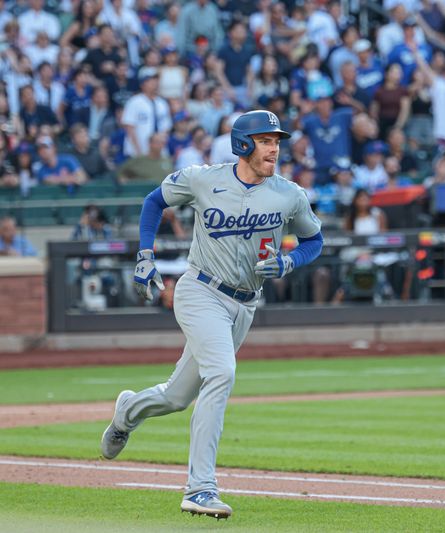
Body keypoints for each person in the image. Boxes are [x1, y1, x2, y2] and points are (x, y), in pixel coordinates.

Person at [99, 110, 323, 519]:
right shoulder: (204, 178)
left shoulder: (289, 193)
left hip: (244, 305)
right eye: (265, 139)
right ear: (242, 144)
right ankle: (200, 488)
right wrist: (145, 253)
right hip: (200, 290)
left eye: (277, 140)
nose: (274, 147)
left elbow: (314, 239)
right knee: (223, 372)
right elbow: (155, 201)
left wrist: (290, 262)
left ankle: (127, 412)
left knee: (177, 396)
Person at [121, 69, 172, 158]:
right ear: (142, 84)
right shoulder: (134, 102)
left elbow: (166, 128)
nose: (154, 83)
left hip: (158, 153)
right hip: (136, 152)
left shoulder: (162, 103)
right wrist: (138, 151)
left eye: (156, 80)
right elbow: (129, 128)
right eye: (150, 80)